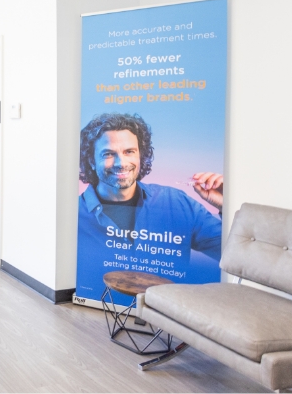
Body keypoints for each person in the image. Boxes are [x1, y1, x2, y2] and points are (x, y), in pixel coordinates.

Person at [76, 112, 223, 299]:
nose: (122, 163)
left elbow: (230, 255)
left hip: (167, 316)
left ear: (140, 155)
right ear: (91, 161)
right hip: (104, 308)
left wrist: (224, 206)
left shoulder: (177, 203)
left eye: (129, 152)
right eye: (108, 154)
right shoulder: (74, 216)